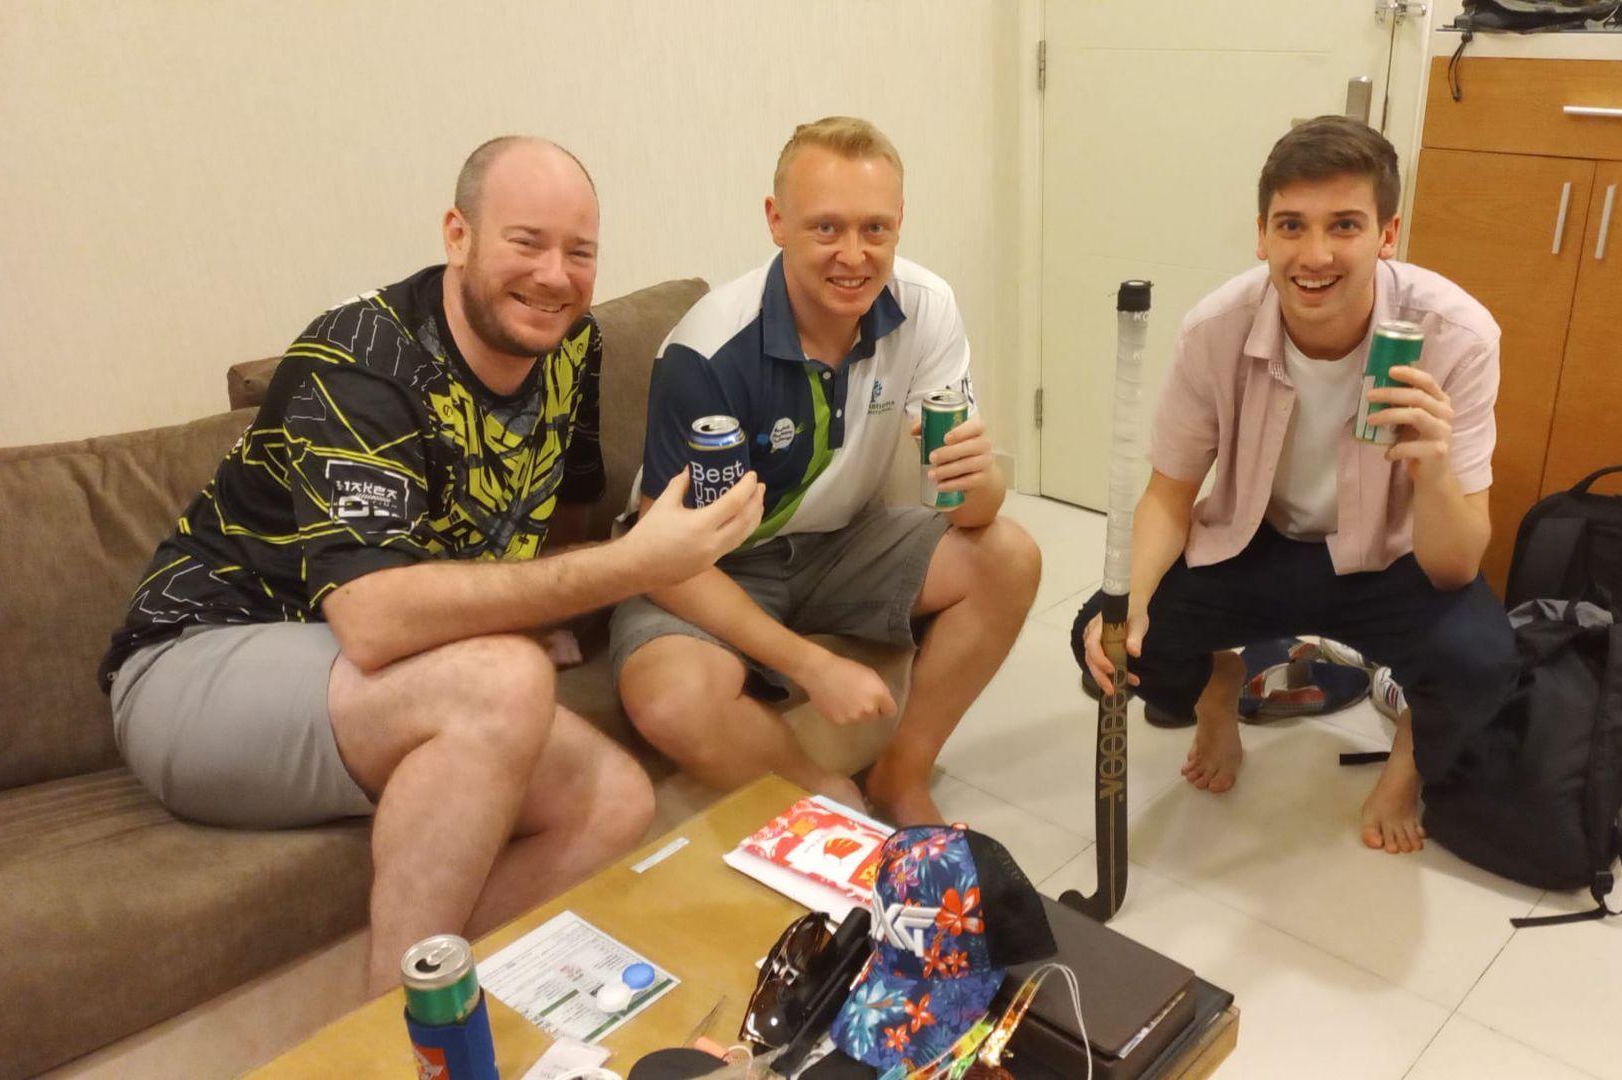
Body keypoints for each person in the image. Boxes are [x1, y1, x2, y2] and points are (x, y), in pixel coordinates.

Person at [98, 136, 764, 989]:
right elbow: (372, 620)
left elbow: (562, 510)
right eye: (525, 241)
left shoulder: (572, 350)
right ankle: (405, 1035)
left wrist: (567, 594)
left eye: (580, 251)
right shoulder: (362, 359)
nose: (555, 275)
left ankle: (406, 990)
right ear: (459, 235)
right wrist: (629, 566)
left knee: (615, 804)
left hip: (368, 680)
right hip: (199, 665)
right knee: (502, 678)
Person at [1071, 116, 1517, 854]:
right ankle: (1221, 687)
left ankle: (1407, 765)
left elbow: (1456, 565)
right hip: (1258, 542)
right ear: (1262, 235)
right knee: (1108, 650)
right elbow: (1170, 493)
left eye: (1344, 225)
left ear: (1387, 233)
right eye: (1292, 226)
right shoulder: (1217, 327)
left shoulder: (1456, 335)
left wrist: (1432, 468)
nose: (1315, 256)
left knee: (1482, 663)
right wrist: (1133, 604)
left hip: (1391, 556)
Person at [611, 116, 1041, 827]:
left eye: (876, 230)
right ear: (776, 221)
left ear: (901, 225)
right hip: (706, 563)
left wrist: (982, 482)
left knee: (1011, 557)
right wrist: (811, 665)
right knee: (673, 698)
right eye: (826, 229)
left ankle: (902, 777)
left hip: (841, 542)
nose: (854, 256)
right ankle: (831, 799)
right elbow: (662, 563)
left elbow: (965, 502)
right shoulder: (707, 348)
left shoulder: (926, 308)